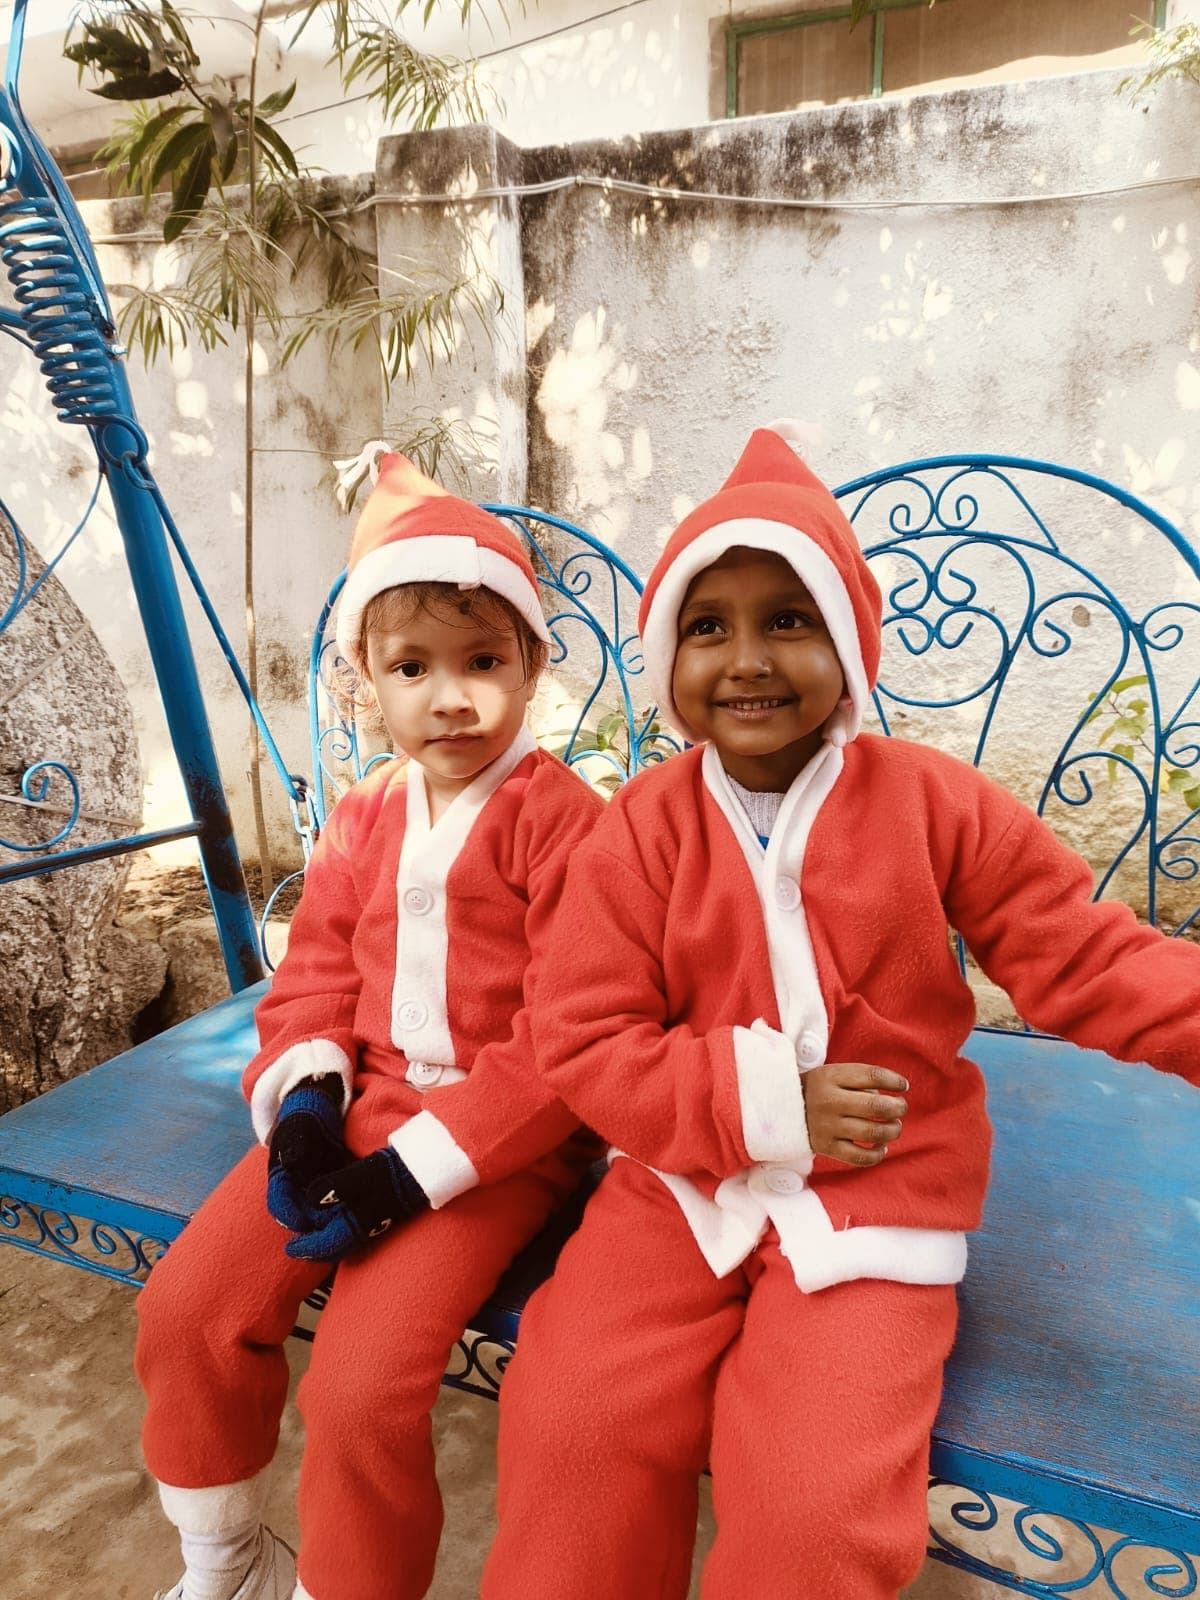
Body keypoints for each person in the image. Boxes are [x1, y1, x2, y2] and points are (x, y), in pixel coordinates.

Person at [479, 421, 1200, 1600]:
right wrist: (761, 1100)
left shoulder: (934, 805)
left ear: (850, 646)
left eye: (790, 619)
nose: (748, 658)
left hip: (878, 1201)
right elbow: (584, 1038)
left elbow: (1087, 956)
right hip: (679, 1188)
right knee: (574, 1427)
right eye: (708, 627)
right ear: (668, 658)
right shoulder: (639, 831)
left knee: (818, 1516)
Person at [135, 454, 601, 1600]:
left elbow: (573, 1035)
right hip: (356, 1110)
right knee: (188, 1307)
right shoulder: (364, 814)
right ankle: (227, 1561)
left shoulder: (569, 824)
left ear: (534, 666)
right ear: (365, 685)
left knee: (357, 1389)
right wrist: (303, 1104)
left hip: (493, 1148)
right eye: (413, 667)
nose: (451, 697)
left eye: (484, 661)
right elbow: (319, 971)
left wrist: (411, 1174)